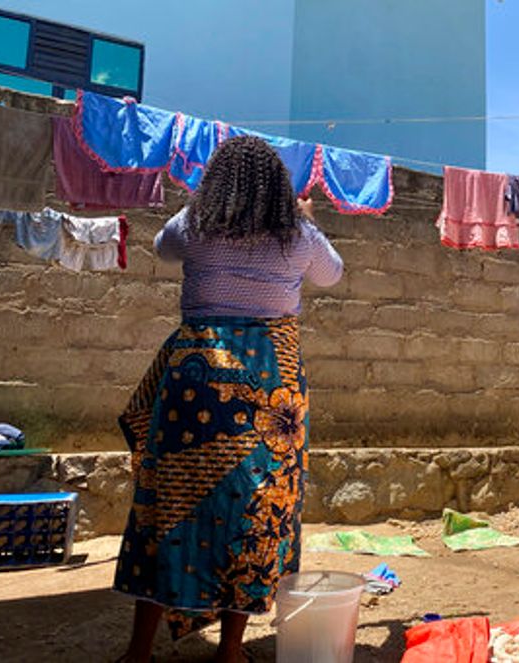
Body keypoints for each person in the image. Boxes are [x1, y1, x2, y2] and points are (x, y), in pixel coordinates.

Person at [113, 135, 344, 663]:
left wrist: (201, 206)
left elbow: (161, 248)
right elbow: (333, 274)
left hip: (194, 377)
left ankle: (138, 651)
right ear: (279, 187)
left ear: (216, 180)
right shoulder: (298, 235)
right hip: (269, 383)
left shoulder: (194, 224)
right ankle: (230, 649)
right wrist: (308, 218)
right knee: (256, 503)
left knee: (166, 503)